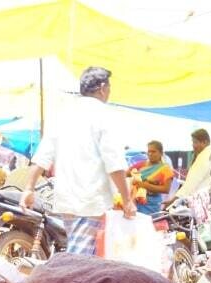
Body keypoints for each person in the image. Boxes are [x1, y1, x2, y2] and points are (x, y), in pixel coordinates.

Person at [20, 66, 135, 255]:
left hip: (67, 200)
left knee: (83, 255)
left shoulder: (63, 114)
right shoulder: (103, 115)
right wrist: (127, 199)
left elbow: (42, 157)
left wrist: (29, 188)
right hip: (90, 200)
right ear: (102, 87)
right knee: (79, 262)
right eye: (110, 87)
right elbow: (113, 161)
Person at [164, 129, 211, 211]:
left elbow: (191, 184)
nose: (193, 145)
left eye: (195, 142)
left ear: (205, 142)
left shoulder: (203, 157)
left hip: (201, 201)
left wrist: (173, 201)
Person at [126, 140, 174, 215]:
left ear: (161, 153)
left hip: (152, 205)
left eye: (153, 151)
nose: (150, 154)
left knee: (149, 224)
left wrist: (145, 185)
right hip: (136, 202)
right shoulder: (141, 165)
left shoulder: (165, 169)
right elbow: (125, 174)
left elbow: (166, 189)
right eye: (149, 151)